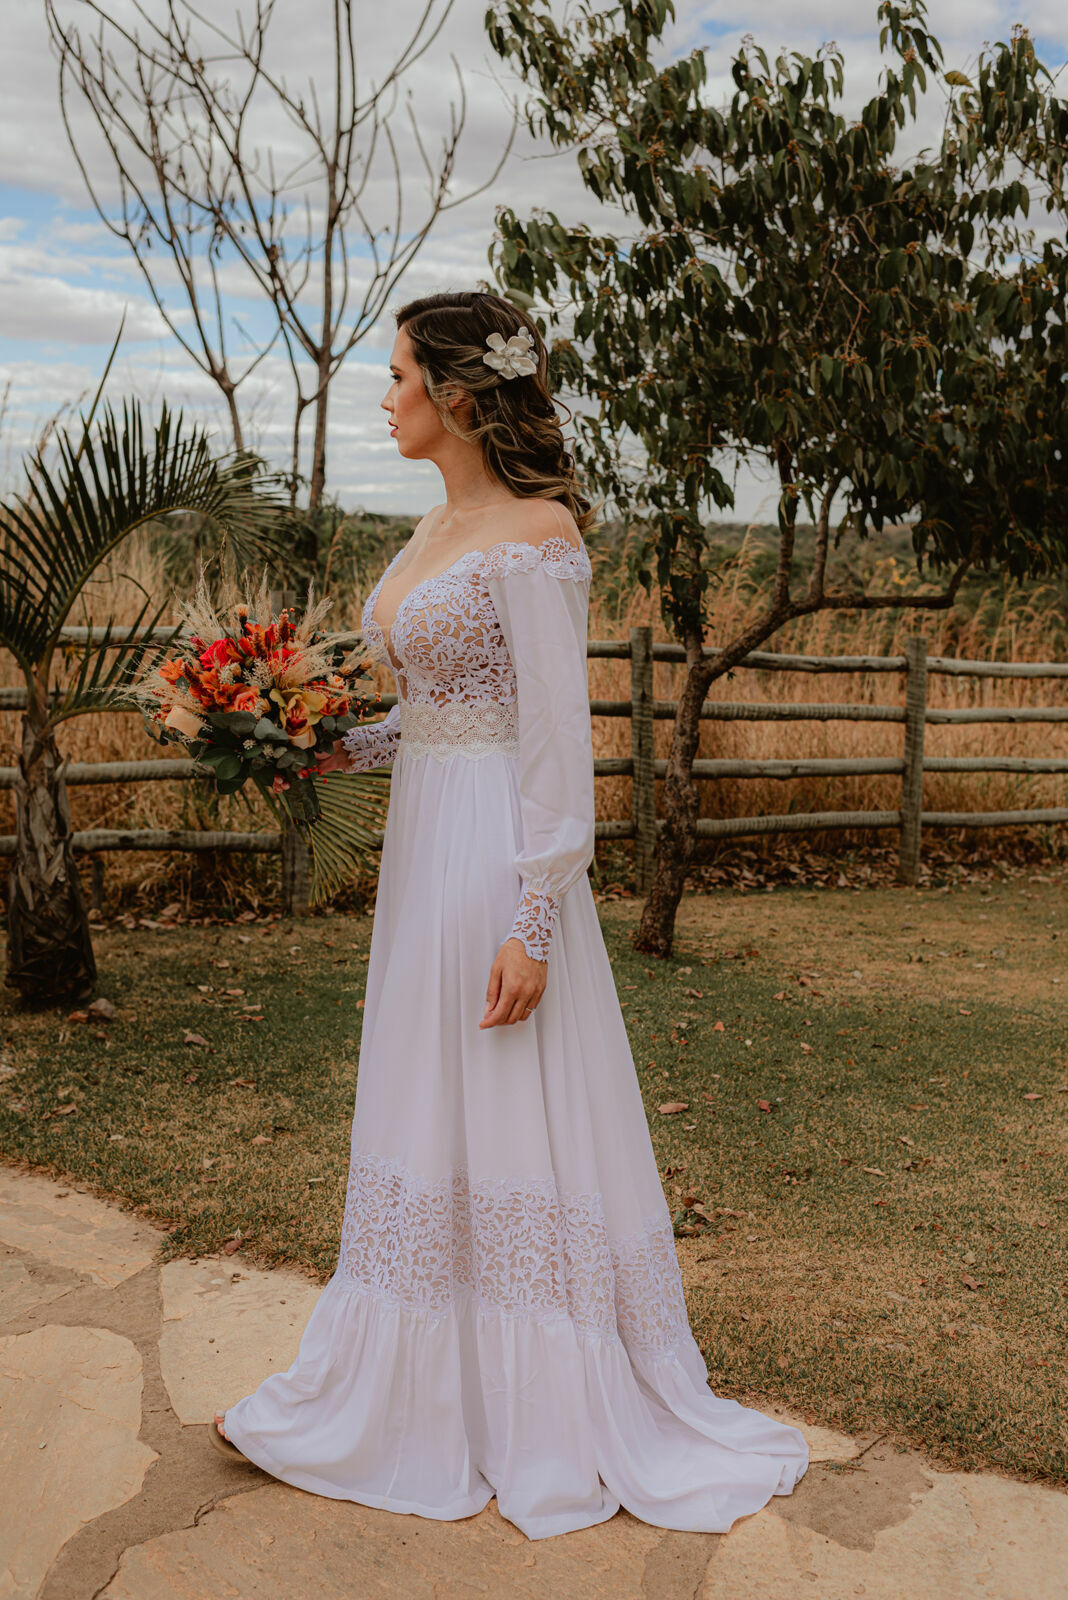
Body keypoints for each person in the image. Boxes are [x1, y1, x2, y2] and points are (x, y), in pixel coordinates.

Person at [213, 290, 808, 1539]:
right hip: (426, 843)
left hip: (500, 850)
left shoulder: (539, 537)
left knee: (507, 1098)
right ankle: (418, 1387)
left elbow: (551, 737)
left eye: (398, 376)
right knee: (427, 1095)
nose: (386, 397)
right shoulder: (431, 530)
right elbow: (434, 711)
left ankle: (544, 1403)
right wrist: (318, 746)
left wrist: (535, 919)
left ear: (459, 394)